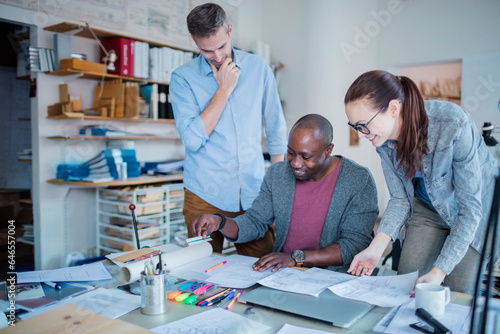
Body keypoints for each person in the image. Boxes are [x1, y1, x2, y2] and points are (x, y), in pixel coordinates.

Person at [344, 70, 498, 294]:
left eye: (363, 125)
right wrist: (375, 248)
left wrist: (439, 271)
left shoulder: (453, 124)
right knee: (408, 282)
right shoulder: (383, 141)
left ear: (394, 109)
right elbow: (400, 199)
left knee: (456, 290)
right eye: (355, 127)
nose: (360, 135)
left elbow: (470, 210)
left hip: (475, 212)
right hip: (427, 209)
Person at [169, 3, 287, 257]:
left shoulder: (258, 68)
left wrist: (277, 182)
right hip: (204, 194)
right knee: (202, 274)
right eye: (206, 51)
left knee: (262, 268)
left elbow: (276, 126)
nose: (218, 57)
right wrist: (223, 90)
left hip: (254, 193)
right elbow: (191, 139)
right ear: (195, 42)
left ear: (230, 30)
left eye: (221, 46)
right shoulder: (182, 78)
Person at [191, 114, 379, 272]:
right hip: (284, 273)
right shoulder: (277, 174)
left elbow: (353, 245)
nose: (296, 164)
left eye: (306, 157)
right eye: (290, 153)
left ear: (328, 150)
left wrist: (296, 257)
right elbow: (255, 221)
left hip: (332, 278)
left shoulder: (358, 180)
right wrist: (220, 222)